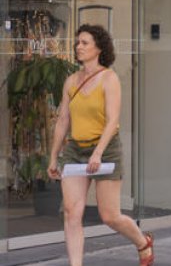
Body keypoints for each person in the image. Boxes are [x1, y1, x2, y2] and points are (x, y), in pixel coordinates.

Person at [48, 25, 155, 266]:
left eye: (85, 43)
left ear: (99, 48)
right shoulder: (71, 81)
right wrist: (54, 157)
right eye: (78, 43)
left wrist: (97, 153)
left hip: (106, 149)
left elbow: (112, 120)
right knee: (71, 212)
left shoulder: (109, 78)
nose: (79, 46)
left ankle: (142, 242)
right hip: (75, 150)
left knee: (110, 216)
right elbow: (63, 120)